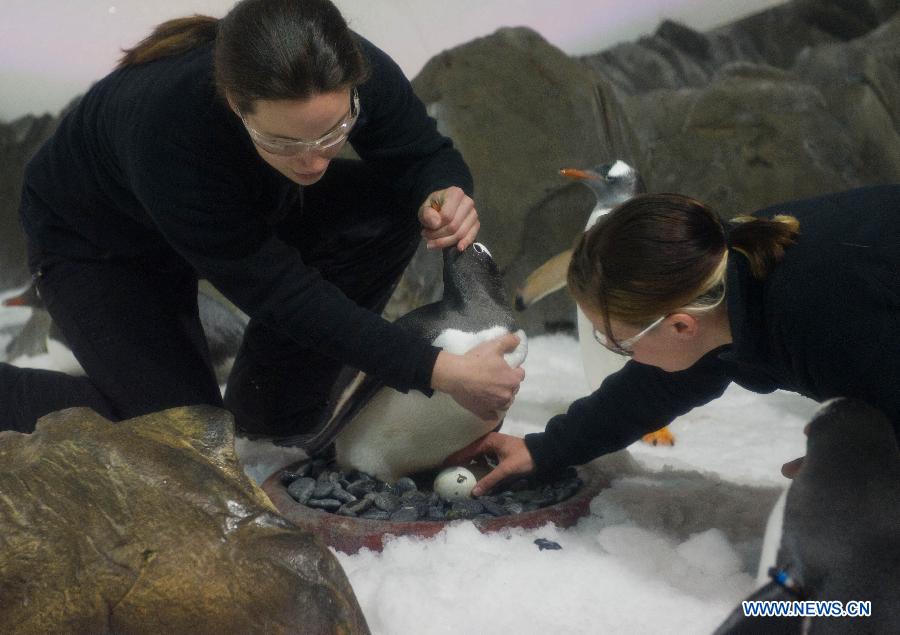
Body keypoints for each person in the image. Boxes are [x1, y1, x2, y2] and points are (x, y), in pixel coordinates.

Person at [0, 0, 524, 435]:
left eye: (334, 133)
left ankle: (270, 406)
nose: (316, 160)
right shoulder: (169, 128)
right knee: (185, 433)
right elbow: (284, 294)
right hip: (98, 243)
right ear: (235, 104)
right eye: (284, 140)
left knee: (386, 208)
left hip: (237, 199)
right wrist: (437, 370)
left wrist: (444, 191)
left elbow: (420, 152)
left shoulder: (351, 68)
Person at [450, 186, 900, 495]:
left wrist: (872, 463)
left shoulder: (824, 318)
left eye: (621, 343)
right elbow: (656, 385)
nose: (621, 354)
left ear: (681, 326)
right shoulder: (721, 275)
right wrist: (544, 449)